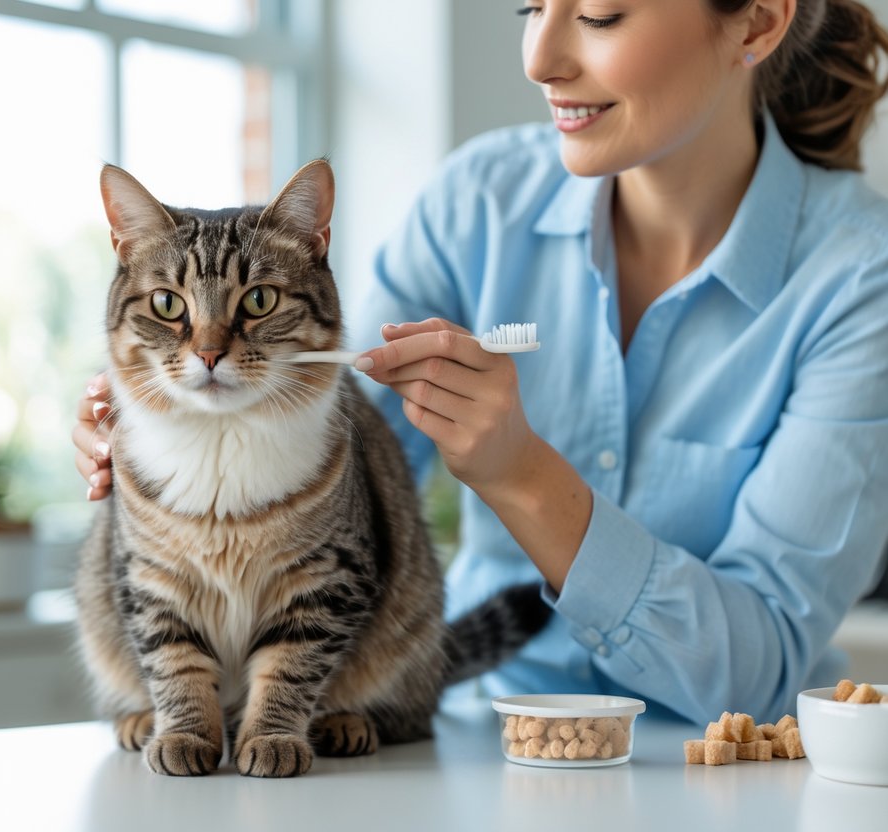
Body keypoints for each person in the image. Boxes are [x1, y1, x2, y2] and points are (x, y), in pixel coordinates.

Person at [74, 0, 888, 724]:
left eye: (598, 17)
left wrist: (521, 475)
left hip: (728, 773)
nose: (540, 60)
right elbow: (335, 457)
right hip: (469, 745)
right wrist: (160, 427)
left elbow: (757, 672)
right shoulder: (476, 200)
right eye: (531, 9)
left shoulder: (861, 279)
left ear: (756, 22)